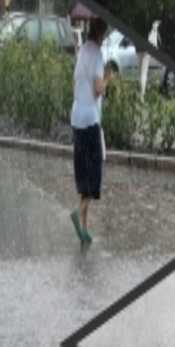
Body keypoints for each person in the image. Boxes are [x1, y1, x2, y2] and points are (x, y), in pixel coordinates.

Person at [70, 16, 112, 244]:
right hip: (90, 119)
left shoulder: (82, 52)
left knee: (83, 170)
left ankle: (84, 228)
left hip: (76, 117)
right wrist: (106, 80)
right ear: (101, 33)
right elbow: (97, 88)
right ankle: (79, 210)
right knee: (94, 171)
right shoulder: (97, 54)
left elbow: (74, 84)